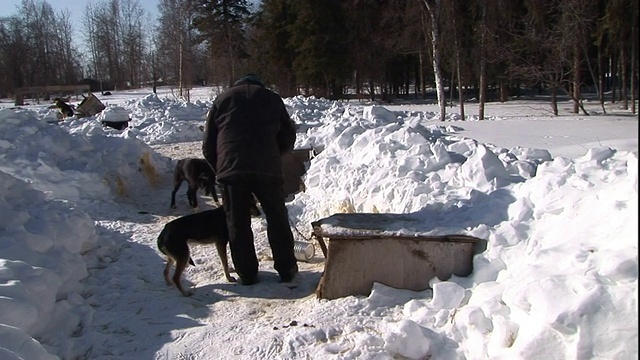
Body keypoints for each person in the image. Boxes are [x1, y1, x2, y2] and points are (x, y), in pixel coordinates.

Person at [202, 73, 298, 285]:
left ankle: (247, 273)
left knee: (237, 222)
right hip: (267, 167)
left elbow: (208, 145)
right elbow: (288, 135)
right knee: (277, 217)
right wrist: (276, 155)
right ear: (259, 84)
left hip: (231, 169)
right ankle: (287, 269)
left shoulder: (222, 99)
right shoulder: (272, 98)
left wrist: (220, 170)